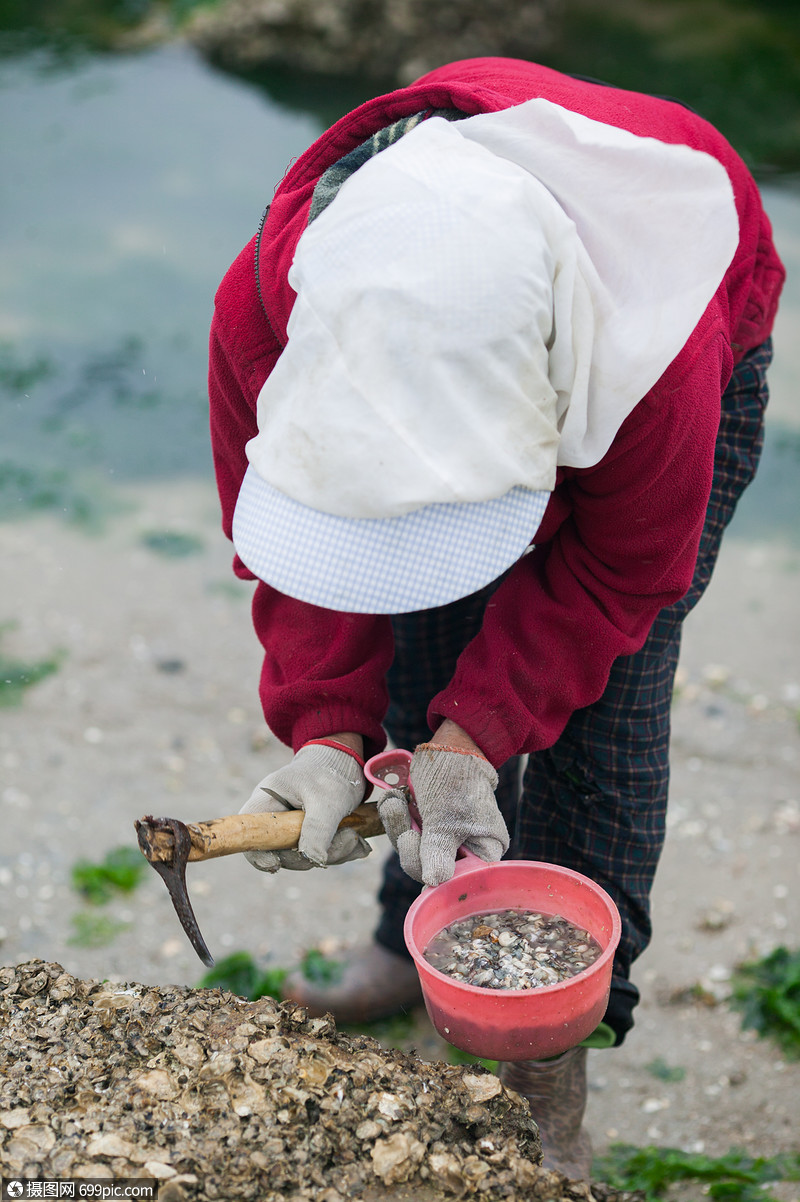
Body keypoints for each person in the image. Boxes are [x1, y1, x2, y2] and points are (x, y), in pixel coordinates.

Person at [208, 57, 784, 1179]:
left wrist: (473, 741)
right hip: (511, 343)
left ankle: (547, 1070)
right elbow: (298, 530)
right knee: (426, 667)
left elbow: (619, 578)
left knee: (597, 713)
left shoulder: (661, 345)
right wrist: (326, 729)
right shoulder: (266, 304)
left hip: (662, 343)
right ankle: (402, 943)